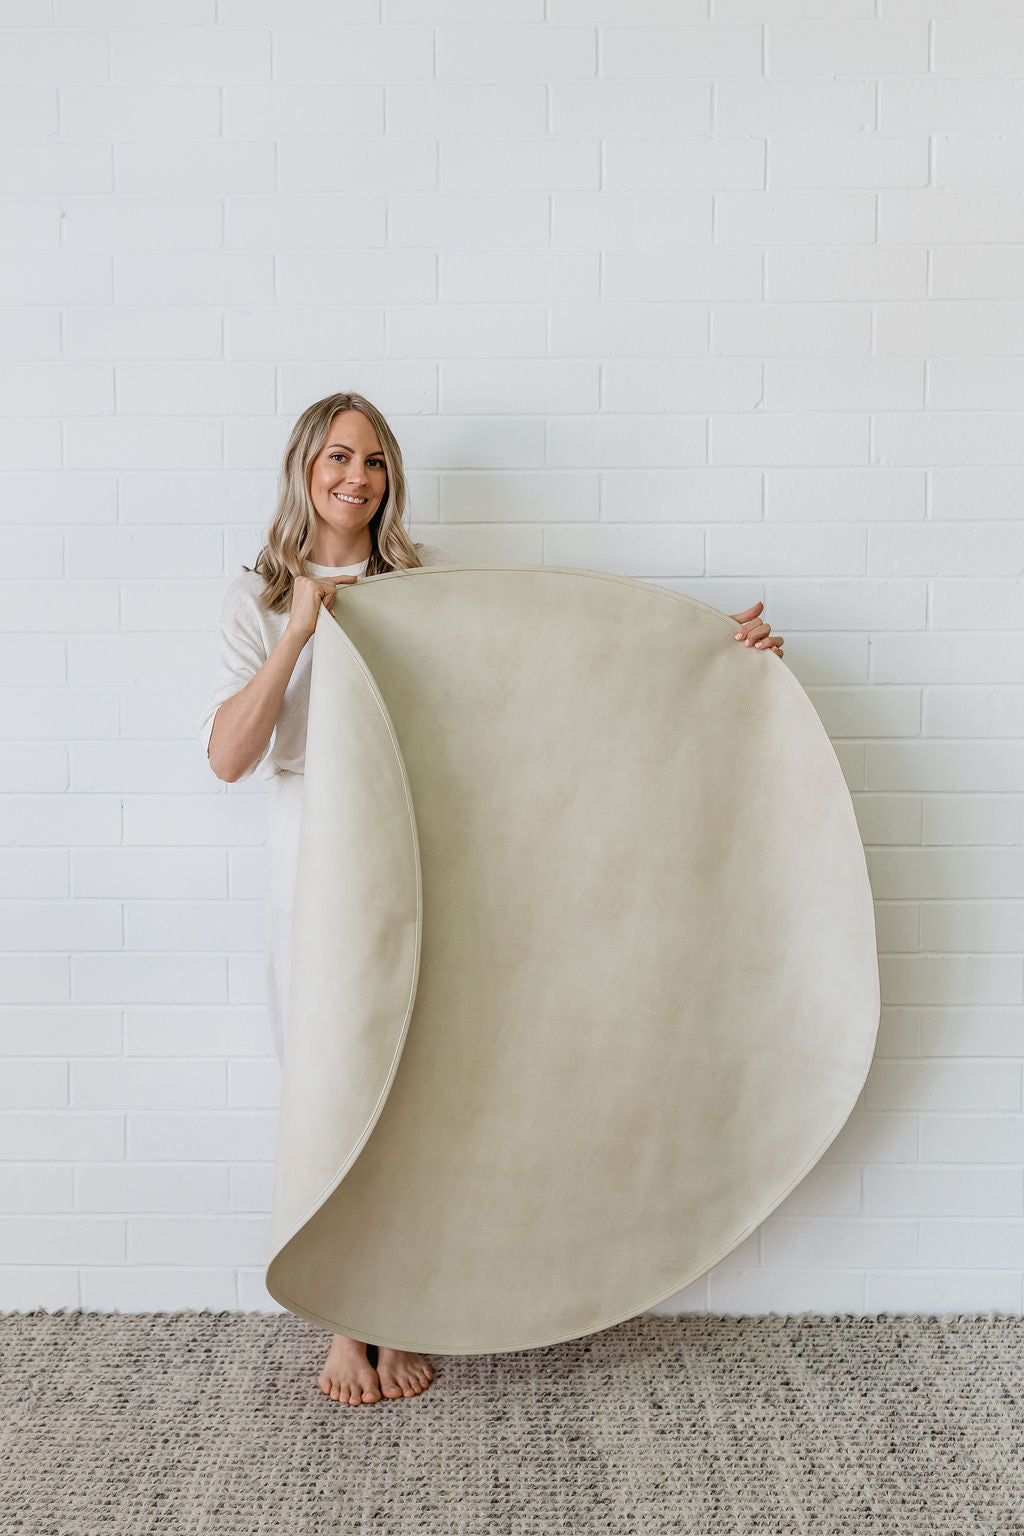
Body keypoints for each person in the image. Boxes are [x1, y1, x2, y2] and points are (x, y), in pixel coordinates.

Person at [200, 390, 784, 1409]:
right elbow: (227, 757)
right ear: (303, 468)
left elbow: (552, 673)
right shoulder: (255, 596)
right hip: (313, 857)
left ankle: (402, 1304)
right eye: (338, 457)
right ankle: (344, 1321)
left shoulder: (430, 583)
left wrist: (706, 653)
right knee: (329, 1070)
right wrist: (297, 632)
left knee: (418, 1078)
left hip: (428, 850)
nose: (356, 477)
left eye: (374, 461)